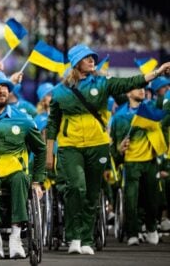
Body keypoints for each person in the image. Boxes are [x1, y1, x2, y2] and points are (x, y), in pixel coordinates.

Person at [45, 44, 170, 255]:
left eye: (93, 57)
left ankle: (85, 239)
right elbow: (52, 124)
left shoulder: (103, 83)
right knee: (77, 188)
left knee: (93, 193)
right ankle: (73, 235)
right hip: (70, 146)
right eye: (87, 58)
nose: (92, 60)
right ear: (76, 63)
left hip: (97, 145)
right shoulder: (59, 92)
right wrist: (49, 154)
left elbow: (129, 82)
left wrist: (156, 73)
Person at [0, 71, 45, 259]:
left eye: (6, 86)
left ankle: (16, 237)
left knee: (21, 177)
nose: (2, 90)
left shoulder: (23, 119)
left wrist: (38, 181)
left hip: (12, 169)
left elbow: (40, 149)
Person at [109, 87, 165, 245]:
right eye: (137, 88)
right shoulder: (119, 117)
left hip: (150, 161)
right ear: (128, 93)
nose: (142, 91)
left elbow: (164, 102)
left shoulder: (151, 110)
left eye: (143, 88)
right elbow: (113, 147)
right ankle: (132, 232)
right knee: (131, 200)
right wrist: (119, 150)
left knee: (152, 200)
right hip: (131, 163)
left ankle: (152, 228)